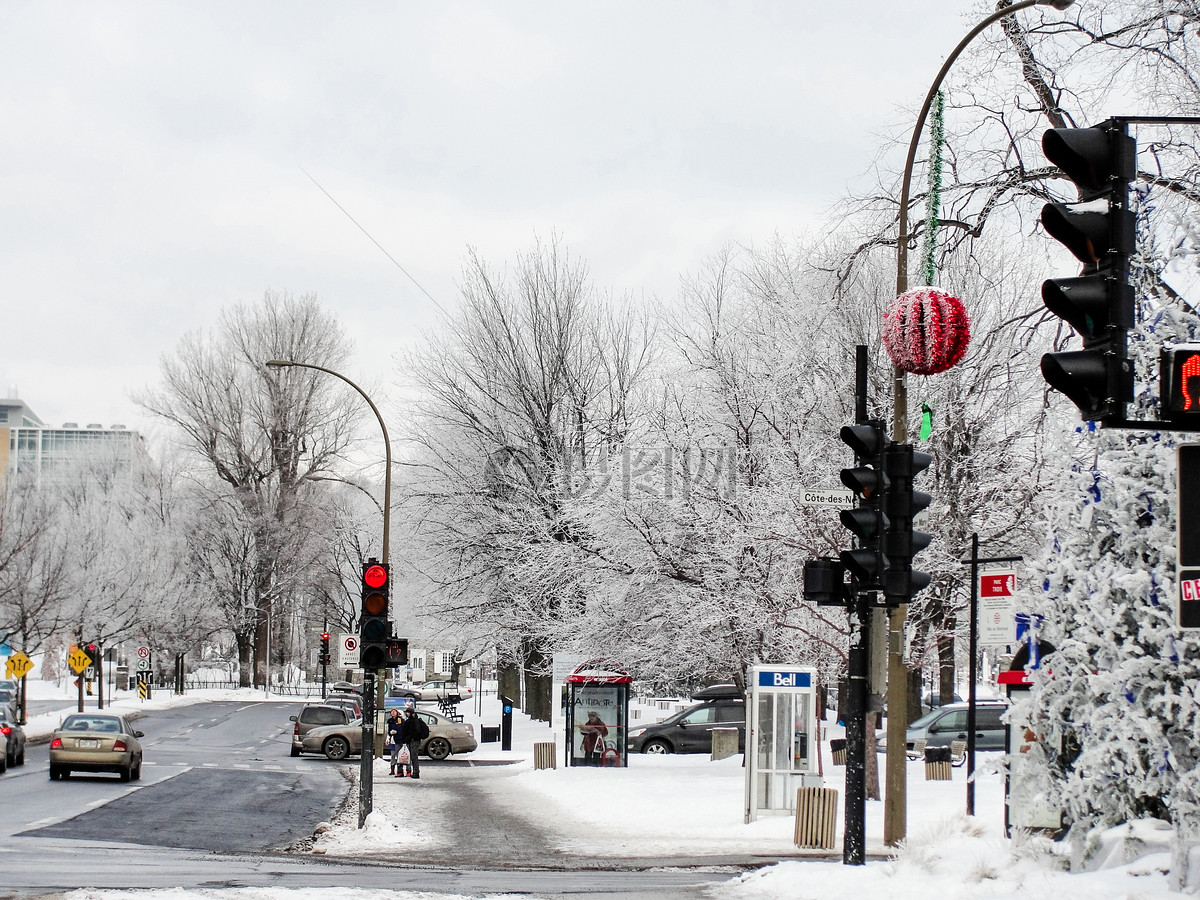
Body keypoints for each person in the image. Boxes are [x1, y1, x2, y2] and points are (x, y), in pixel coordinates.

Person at [399, 708, 430, 779]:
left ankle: (416, 772)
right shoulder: (413, 721)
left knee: (414, 756)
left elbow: (415, 731)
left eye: (408, 712)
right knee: (412, 756)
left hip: (413, 741)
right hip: (412, 740)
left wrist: (409, 738)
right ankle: (415, 771)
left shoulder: (414, 721)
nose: (407, 714)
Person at [386, 709, 403, 775]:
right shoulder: (390, 721)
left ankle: (399, 769)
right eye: (391, 712)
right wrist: (388, 738)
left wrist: (396, 732)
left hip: (398, 740)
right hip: (392, 741)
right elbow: (389, 731)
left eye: (394, 712)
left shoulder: (400, 720)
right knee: (392, 755)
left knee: (399, 755)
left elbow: (400, 729)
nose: (393, 713)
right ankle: (392, 769)